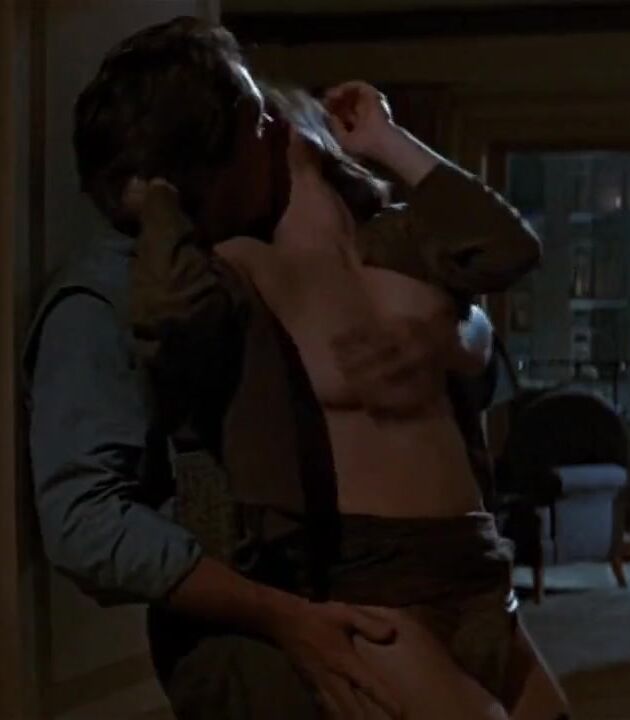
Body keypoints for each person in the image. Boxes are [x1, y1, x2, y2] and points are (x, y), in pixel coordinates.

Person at [25, 16, 551, 720]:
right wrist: (280, 613)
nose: (278, 124)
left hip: (462, 568)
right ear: (196, 174)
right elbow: (85, 523)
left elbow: (476, 317)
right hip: (292, 609)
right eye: (257, 120)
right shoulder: (126, 297)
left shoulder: (325, 242)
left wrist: (459, 335)